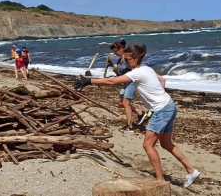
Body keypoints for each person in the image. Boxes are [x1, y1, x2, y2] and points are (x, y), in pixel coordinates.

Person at [74, 44, 200, 188]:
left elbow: (112, 81)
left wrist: (88, 81)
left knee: (148, 144)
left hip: (162, 111)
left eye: (127, 60)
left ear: (136, 58)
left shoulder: (138, 72)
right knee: (166, 144)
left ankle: (160, 180)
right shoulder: (147, 69)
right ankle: (191, 170)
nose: (126, 62)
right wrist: (157, 95)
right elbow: (162, 80)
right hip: (169, 105)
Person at [109, 39, 146, 132]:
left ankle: (130, 126)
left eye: (116, 51)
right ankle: (140, 112)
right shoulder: (119, 60)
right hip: (126, 82)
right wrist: (113, 67)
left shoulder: (127, 59)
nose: (115, 53)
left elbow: (132, 69)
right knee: (121, 103)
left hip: (132, 81)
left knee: (125, 103)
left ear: (121, 49)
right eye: (113, 51)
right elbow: (120, 72)